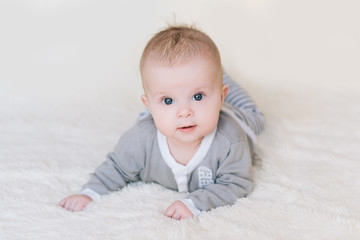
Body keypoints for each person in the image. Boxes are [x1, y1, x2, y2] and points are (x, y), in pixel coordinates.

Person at [59, 25, 264, 220]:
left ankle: (220, 78)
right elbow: (116, 168)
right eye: (168, 100)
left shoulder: (231, 141)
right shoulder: (140, 140)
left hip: (236, 115)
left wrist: (195, 203)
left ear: (221, 97)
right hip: (157, 119)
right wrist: (89, 193)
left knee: (257, 117)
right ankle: (185, 94)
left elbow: (237, 183)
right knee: (155, 119)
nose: (185, 112)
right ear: (147, 105)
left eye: (198, 96)